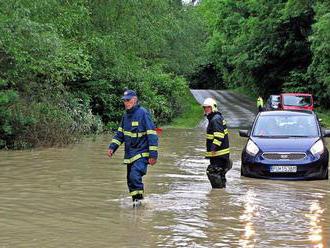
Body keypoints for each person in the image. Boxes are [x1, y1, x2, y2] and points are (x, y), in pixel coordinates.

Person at [107, 89, 158, 207]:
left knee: (134, 177)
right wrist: (112, 147)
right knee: (130, 181)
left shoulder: (143, 113)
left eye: (128, 100)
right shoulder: (126, 116)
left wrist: (153, 154)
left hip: (142, 154)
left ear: (134, 100)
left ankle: (139, 204)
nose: (126, 102)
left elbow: (152, 134)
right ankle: (137, 203)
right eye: (124, 100)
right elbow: (120, 134)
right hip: (130, 155)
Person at [202, 98, 231, 188]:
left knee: (213, 172)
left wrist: (213, 148)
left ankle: (218, 195)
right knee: (219, 173)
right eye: (205, 108)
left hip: (219, 154)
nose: (206, 109)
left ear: (213, 108)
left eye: (208, 107)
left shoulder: (215, 119)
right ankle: (222, 192)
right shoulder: (215, 118)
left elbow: (219, 135)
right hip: (220, 154)